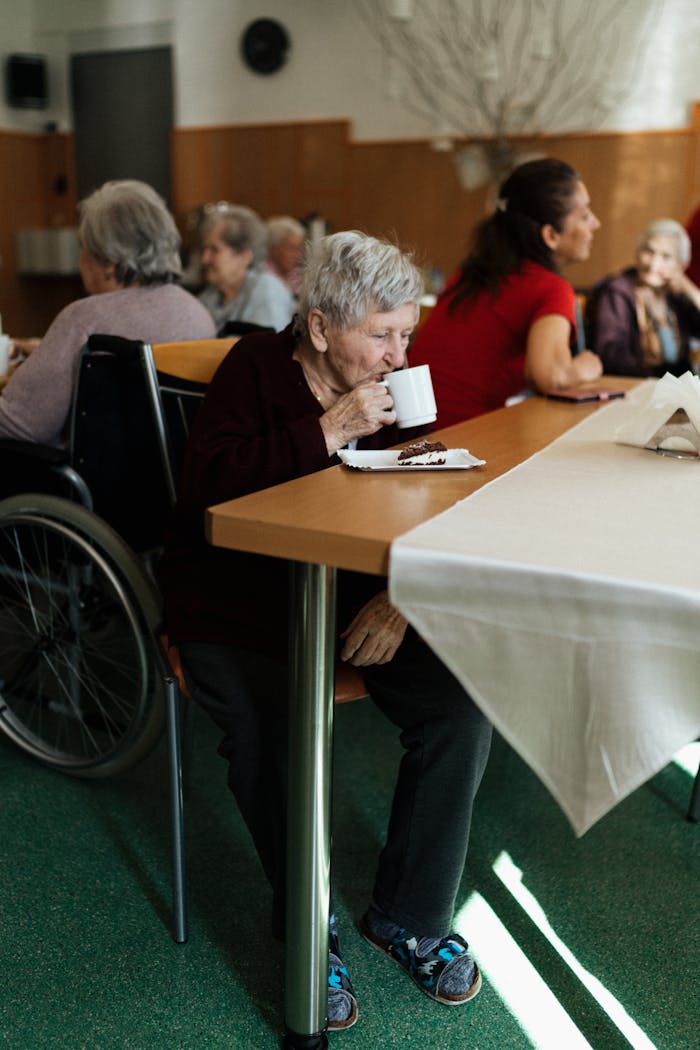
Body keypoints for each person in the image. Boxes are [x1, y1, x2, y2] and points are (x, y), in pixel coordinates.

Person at [158, 231, 492, 1031]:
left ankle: (406, 916)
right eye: (380, 334)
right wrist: (330, 428)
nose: (396, 354)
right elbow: (208, 492)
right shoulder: (252, 370)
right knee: (271, 731)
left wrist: (401, 595)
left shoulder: (390, 389)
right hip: (234, 606)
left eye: (405, 334)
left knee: (460, 704)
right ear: (317, 328)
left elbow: (423, 488)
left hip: (349, 598)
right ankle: (314, 927)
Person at [0, 179, 215, 447]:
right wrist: (50, 352)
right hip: (172, 481)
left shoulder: (84, 319)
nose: (80, 261)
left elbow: (21, 425)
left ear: (110, 264)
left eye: (83, 248)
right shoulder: (197, 311)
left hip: (83, 484)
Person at [409, 158, 603, 427]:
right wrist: (586, 366)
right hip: (458, 438)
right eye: (584, 215)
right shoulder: (551, 288)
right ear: (551, 235)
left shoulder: (469, 276)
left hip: (408, 430)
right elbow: (551, 377)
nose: (596, 223)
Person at [586, 218, 700, 377]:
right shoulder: (617, 291)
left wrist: (687, 287)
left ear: (681, 265)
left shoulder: (674, 297)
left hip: (674, 388)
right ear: (638, 252)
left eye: (666, 257)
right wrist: (659, 379)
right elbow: (609, 355)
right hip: (635, 386)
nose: (653, 264)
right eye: (649, 252)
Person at [197, 203, 295, 333]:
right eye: (204, 249)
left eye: (214, 250)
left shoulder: (267, 291)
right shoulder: (210, 295)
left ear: (244, 256)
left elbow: (267, 349)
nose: (205, 259)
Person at [265, 215, 305, 296]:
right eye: (292, 248)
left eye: (299, 248)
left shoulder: (297, 276)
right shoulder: (262, 275)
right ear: (274, 249)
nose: (298, 254)